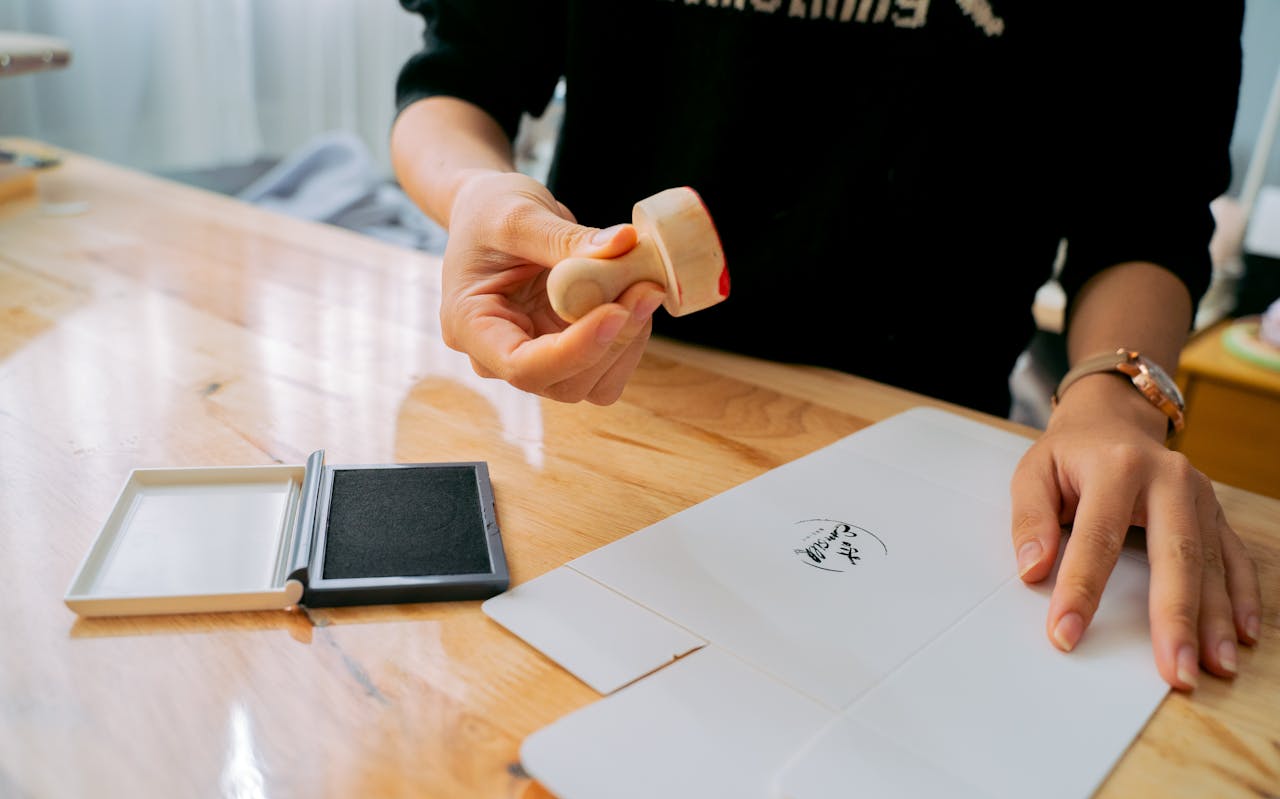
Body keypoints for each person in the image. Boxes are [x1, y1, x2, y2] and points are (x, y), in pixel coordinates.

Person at [389, 0, 1260, 691]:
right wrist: (475, 191)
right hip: (609, 409)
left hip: (932, 446)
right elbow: (456, 80)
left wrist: (1116, 393)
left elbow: (1150, 196)